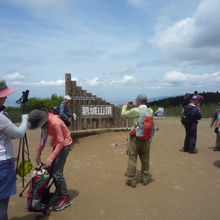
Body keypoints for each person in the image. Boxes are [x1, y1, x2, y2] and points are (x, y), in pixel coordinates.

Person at [28, 108, 73, 211]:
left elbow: (61, 141)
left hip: (64, 144)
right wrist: (38, 153)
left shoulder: (54, 122)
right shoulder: (44, 124)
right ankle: (59, 192)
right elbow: (43, 139)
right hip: (56, 143)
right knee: (51, 170)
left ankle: (65, 198)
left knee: (57, 173)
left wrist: (51, 157)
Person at [0, 80, 28, 220]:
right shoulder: (1, 117)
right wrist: (24, 119)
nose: (5, 98)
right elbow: (19, 134)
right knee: (2, 204)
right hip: (3, 163)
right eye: (2, 96)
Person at [121, 94, 153, 188]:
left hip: (135, 138)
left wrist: (125, 105)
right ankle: (145, 178)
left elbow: (123, 114)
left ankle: (131, 180)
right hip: (146, 138)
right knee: (145, 158)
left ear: (138, 101)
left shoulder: (136, 110)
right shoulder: (150, 110)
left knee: (132, 158)